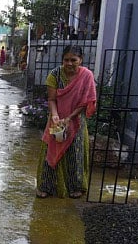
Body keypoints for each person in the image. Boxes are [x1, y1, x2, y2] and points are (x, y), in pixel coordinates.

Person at [36, 45, 97, 199]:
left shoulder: (87, 76)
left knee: (75, 153)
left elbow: (86, 101)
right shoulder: (54, 75)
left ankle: (76, 187)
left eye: (73, 60)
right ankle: (46, 186)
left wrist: (69, 118)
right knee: (50, 151)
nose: (69, 63)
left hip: (76, 120)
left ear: (80, 60)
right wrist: (55, 116)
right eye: (66, 60)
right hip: (56, 120)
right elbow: (51, 99)